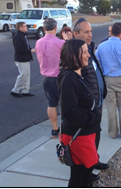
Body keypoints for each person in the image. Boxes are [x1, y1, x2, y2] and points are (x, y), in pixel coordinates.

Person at [58, 39, 101, 187]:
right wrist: (93, 117)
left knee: (86, 175)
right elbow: (69, 112)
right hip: (78, 137)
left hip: (85, 134)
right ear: (74, 55)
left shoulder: (77, 75)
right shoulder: (69, 78)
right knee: (79, 178)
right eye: (84, 52)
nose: (88, 55)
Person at [72, 18, 109, 178]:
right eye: (86, 32)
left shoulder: (88, 49)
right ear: (75, 34)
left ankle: (94, 161)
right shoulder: (73, 54)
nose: (90, 35)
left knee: (97, 133)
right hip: (86, 107)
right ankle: (86, 173)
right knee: (86, 140)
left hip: (97, 104)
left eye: (90, 31)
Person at [96, 22, 121, 139]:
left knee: (110, 107)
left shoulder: (101, 47)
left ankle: (112, 133)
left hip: (108, 80)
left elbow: (97, 64)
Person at [35, 18, 65, 139]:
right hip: (60, 76)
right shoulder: (60, 43)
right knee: (64, 104)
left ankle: (54, 129)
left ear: (44, 28)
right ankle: (65, 128)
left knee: (51, 104)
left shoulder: (39, 42)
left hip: (46, 77)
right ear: (55, 28)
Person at [11, 22, 35, 97]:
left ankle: (25, 90)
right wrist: (30, 51)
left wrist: (31, 49)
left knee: (27, 75)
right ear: (20, 28)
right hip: (21, 59)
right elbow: (19, 49)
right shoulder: (18, 37)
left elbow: (26, 47)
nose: (27, 27)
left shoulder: (23, 36)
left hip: (26, 58)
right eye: (25, 26)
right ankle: (15, 90)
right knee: (23, 75)